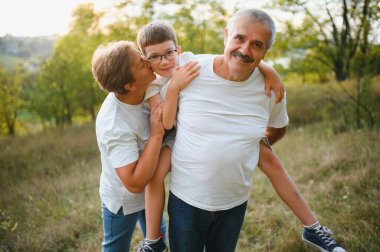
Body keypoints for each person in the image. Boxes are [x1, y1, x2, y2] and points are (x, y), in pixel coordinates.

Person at [165, 9, 346, 252]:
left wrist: (253, 146)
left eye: (257, 45)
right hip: (187, 201)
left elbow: (279, 128)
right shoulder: (189, 68)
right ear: (227, 35)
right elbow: (150, 65)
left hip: (233, 203)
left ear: (265, 52)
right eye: (240, 38)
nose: (245, 49)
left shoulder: (270, 89)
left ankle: (313, 228)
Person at [134, 21, 286, 252]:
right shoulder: (152, 85)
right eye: (155, 57)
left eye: (169, 53)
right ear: (146, 60)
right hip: (167, 137)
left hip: (190, 135)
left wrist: (268, 69)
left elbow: (231, 56)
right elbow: (166, 123)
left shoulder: (188, 63)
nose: (164, 61)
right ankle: (153, 240)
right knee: (155, 177)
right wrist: (174, 87)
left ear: (179, 50)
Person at [91, 41, 167, 251]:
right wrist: (157, 133)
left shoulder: (147, 86)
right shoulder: (114, 125)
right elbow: (133, 184)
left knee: (158, 246)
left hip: (152, 193)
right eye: (141, 63)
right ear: (130, 85)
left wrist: (266, 70)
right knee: (115, 248)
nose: (147, 60)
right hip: (123, 201)